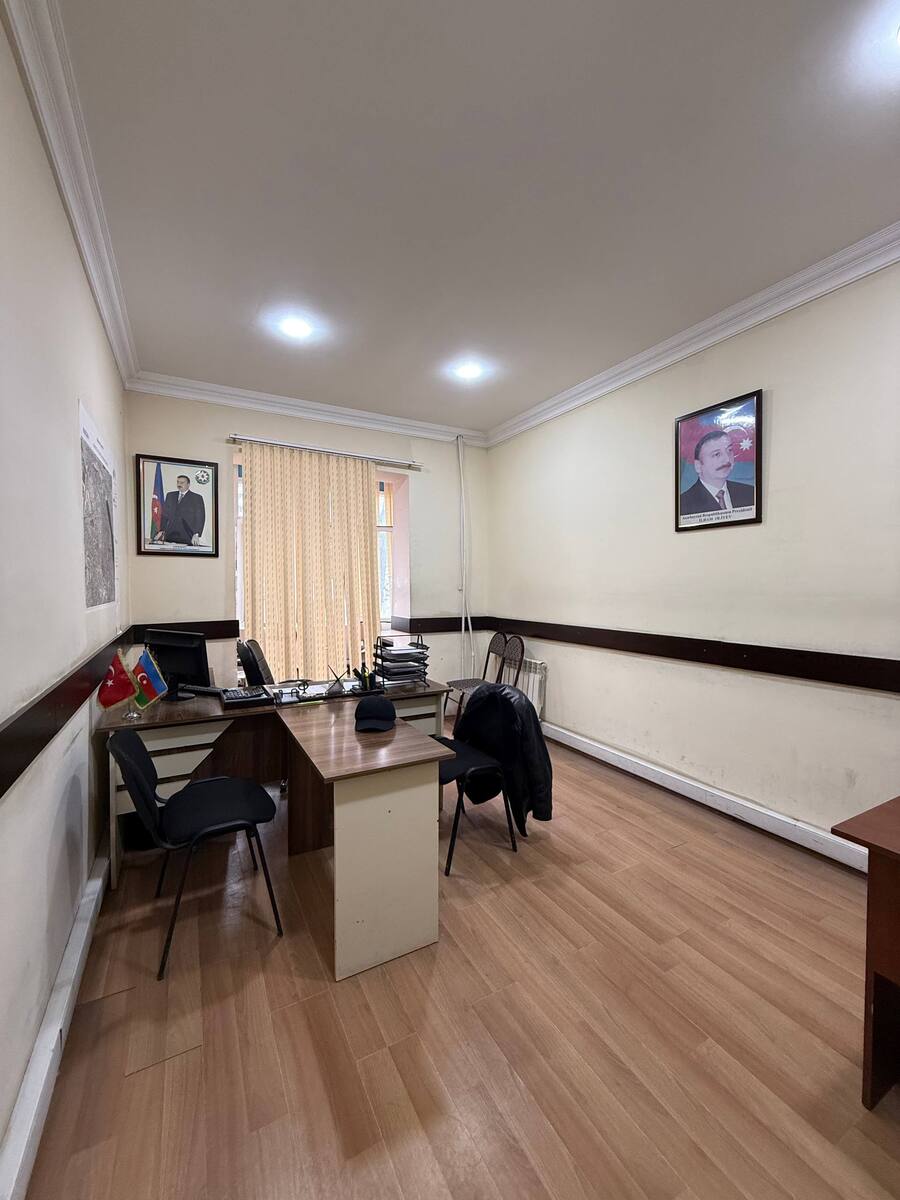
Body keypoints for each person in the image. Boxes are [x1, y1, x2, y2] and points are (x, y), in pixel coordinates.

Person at [679, 429, 754, 516]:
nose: (727, 459)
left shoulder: (750, 493)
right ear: (698, 466)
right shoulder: (683, 504)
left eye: (729, 450)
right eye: (717, 454)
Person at [154, 474, 205, 545]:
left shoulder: (196, 498)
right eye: (178, 482)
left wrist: (196, 534)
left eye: (182, 482)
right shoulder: (170, 495)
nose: (179, 484)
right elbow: (165, 515)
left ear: (188, 484)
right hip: (170, 534)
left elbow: (200, 518)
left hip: (188, 535)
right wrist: (161, 530)